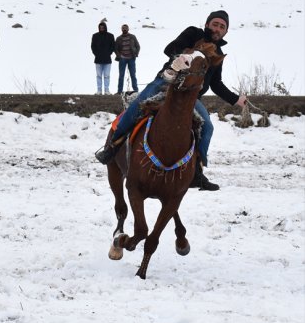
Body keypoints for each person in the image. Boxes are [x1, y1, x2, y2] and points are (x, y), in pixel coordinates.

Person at [94, 10, 247, 191]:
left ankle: (197, 172)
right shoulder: (193, 33)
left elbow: (216, 83)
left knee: (207, 127)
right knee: (136, 107)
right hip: (166, 82)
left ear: (225, 32)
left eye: (222, 27)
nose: (218, 28)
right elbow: (169, 49)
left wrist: (236, 99)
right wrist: (182, 57)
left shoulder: (218, 55)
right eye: (215, 24)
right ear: (207, 24)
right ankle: (113, 146)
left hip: (189, 96)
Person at [115, 24, 140, 93]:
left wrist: (136, 54)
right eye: (123, 28)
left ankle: (136, 90)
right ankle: (119, 91)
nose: (124, 29)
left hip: (131, 58)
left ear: (128, 29)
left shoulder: (132, 37)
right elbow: (115, 48)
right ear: (121, 29)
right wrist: (119, 55)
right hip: (122, 59)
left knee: (133, 75)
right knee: (121, 75)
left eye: (125, 28)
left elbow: (138, 46)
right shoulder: (118, 38)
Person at [91, 21, 115, 95]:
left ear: (105, 27)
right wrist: (96, 54)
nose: (101, 28)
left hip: (107, 59)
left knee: (107, 76)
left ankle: (107, 90)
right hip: (98, 59)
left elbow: (113, 46)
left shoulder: (110, 36)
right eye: (100, 27)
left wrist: (109, 53)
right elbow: (93, 46)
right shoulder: (95, 36)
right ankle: (99, 90)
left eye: (103, 27)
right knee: (98, 76)